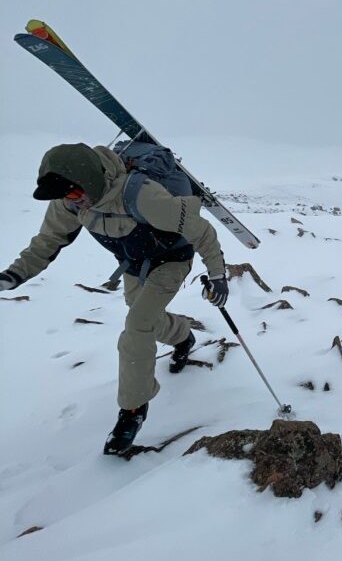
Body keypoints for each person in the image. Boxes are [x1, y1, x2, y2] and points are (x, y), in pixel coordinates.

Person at [0, 143, 229, 455]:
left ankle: (132, 411)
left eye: (74, 191)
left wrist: (217, 274)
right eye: (65, 195)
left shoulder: (140, 195)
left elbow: (201, 231)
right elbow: (48, 241)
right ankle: (183, 337)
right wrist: (13, 275)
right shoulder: (70, 204)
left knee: (137, 326)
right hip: (136, 264)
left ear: (88, 177)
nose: (72, 199)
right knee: (146, 321)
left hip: (172, 259)